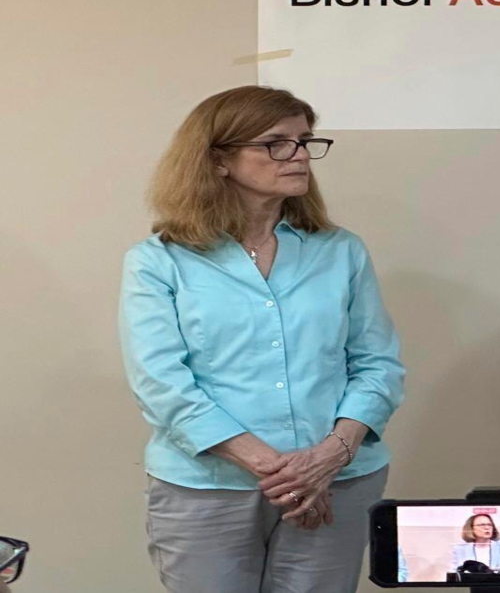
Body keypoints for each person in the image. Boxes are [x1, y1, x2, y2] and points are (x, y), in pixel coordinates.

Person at [119, 86, 406, 593]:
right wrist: (284, 472)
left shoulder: (340, 250)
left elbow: (377, 364)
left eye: (304, 141)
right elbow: (161, 382)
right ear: (219, 161)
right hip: (208, 489)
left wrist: (328, 457)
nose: (299, 155)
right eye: (276, 143)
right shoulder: (159, 260)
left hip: (339, 478)